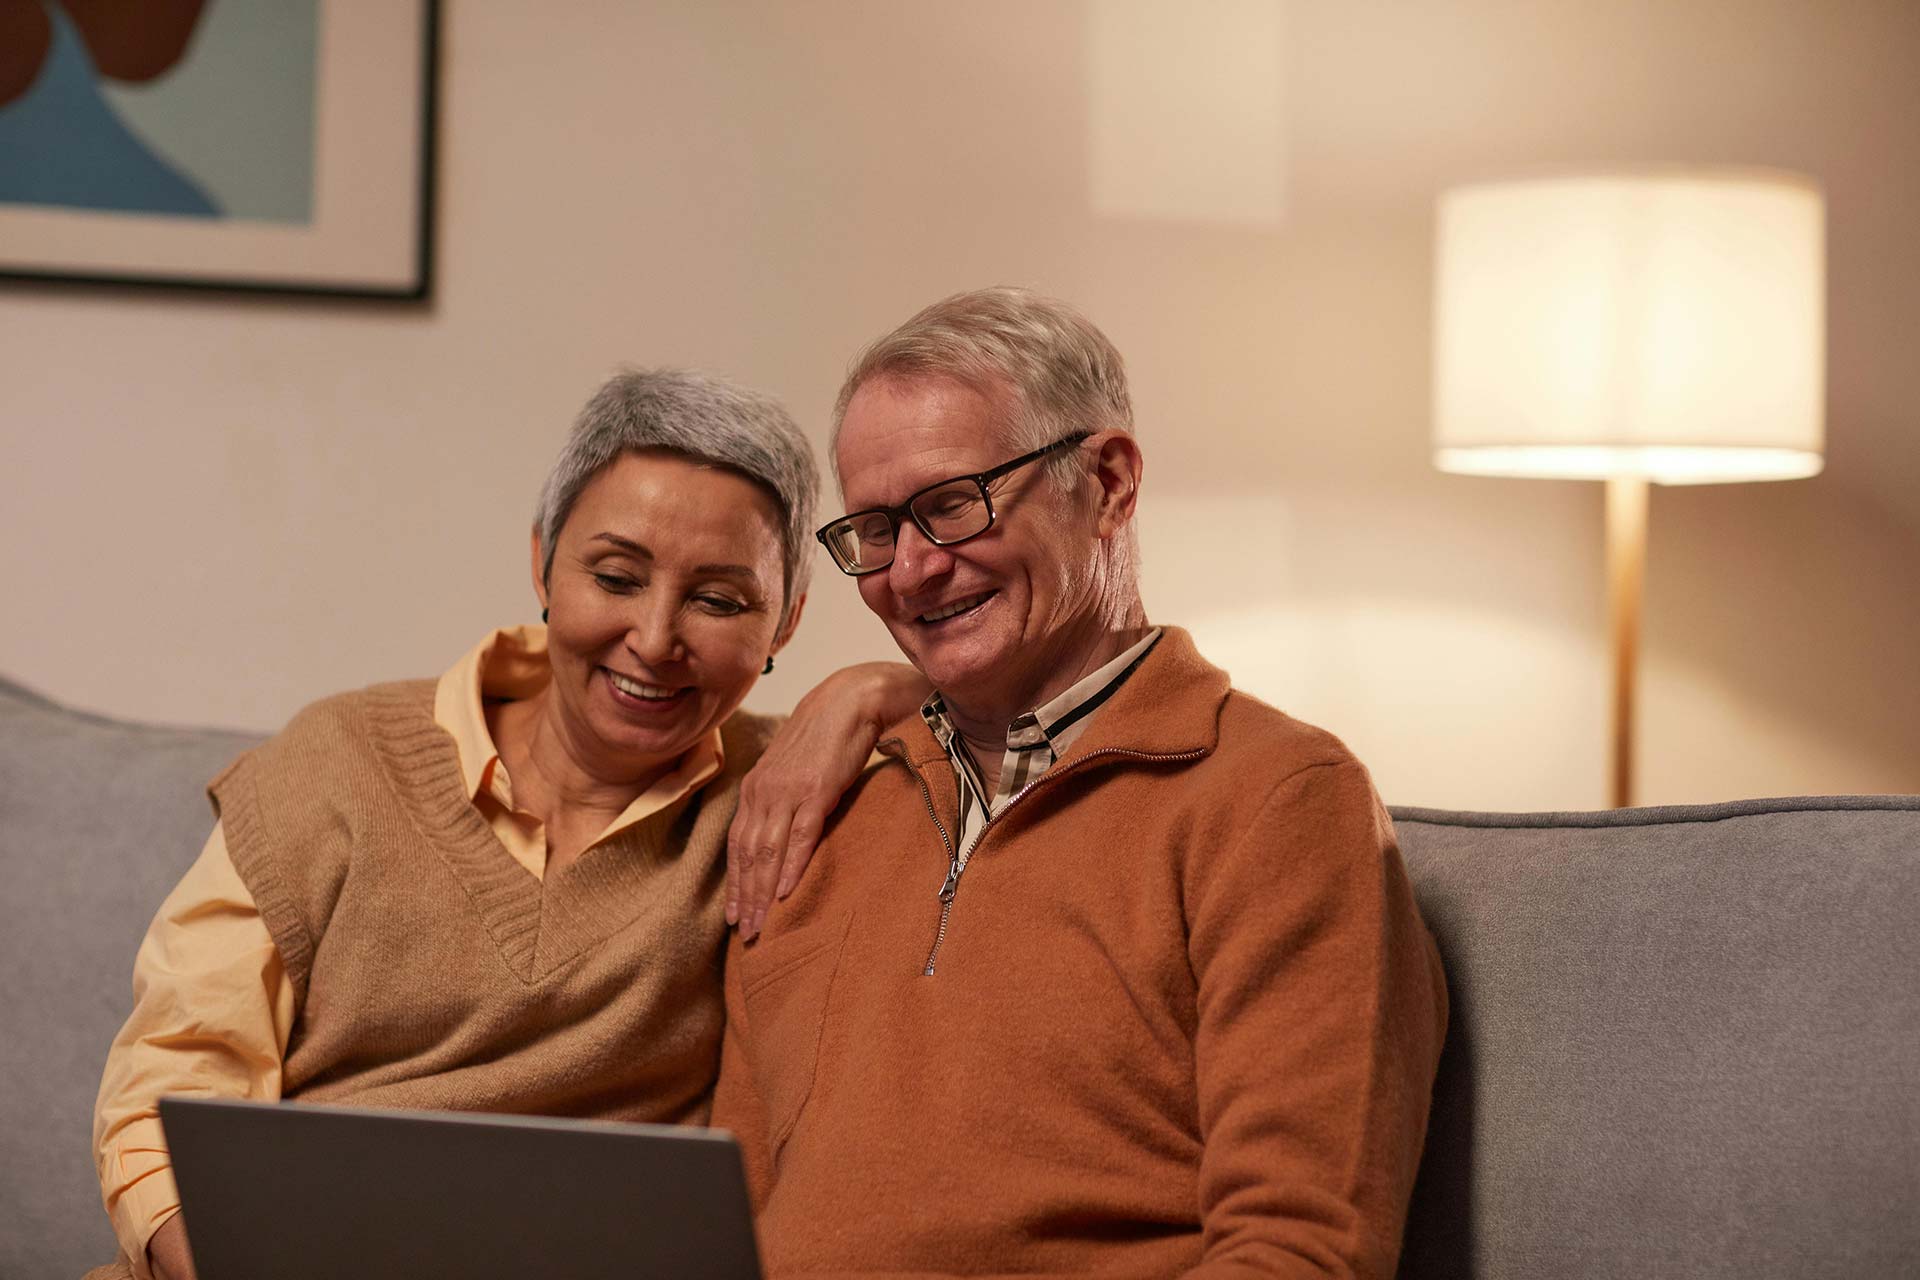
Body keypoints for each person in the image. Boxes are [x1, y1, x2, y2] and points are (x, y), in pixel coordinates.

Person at [87, 368, 926, 1280]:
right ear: (542, 564)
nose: (653, 637)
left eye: (720, 600)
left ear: (788, 622)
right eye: (615, 576)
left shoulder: (786, 800)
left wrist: (874, 688)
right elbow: (170, 1084)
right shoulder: (336, 759)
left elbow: (1057, 696)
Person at [710, 288, 1450, 1278]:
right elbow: (719, 1226)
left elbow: (1300, 1250)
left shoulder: (1278, 799)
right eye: (878, 529)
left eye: (951, 504)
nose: (913, 570)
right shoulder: (813, 807)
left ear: (1106, 483)